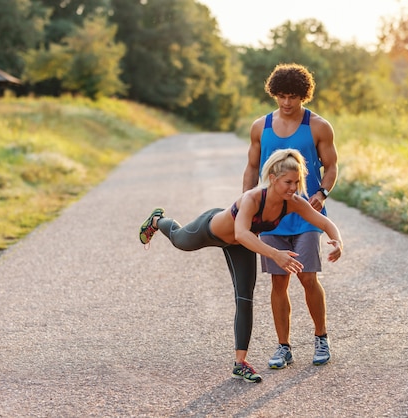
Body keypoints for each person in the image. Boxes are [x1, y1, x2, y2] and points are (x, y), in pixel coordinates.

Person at [139, 149, 343, 383]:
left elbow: (323, 221)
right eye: (288, 182)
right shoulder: (253, 198)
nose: (293, 188)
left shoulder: (292, 202)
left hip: (241, 245)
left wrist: (337, 240)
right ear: (274, 179)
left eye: (297, 182)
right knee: (178, 240)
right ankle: (157, 220)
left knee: (244, 297)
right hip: (210, 230)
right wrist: (276, 254)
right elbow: (241, 232)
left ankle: (240, 363)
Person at [243, 63, 338, 369]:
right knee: (279, 282)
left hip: (305, 213)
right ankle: (283, 346)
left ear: (304, 96)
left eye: (293, 96)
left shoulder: (319, 126)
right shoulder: (261, 127)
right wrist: (244, 202)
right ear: (274, 93)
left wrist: (322, 193)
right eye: (281, 96)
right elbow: (251, 167)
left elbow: (332, 165)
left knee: (308, 277)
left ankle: (320, 336)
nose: (286, 102)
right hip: (270, 216)